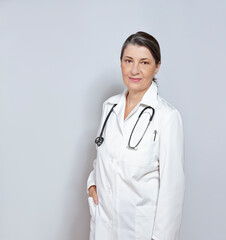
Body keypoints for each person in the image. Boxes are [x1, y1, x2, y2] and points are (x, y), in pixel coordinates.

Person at [87, 31, 185, 240]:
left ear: (157, 66)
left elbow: (172, 190)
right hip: (103, 228)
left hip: (140, 232)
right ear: (121, 62)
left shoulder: (167, 117)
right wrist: (92, 184)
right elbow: (102, 159)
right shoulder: (109, 107)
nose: (134, 70)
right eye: (128, 60)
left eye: (144, 63)